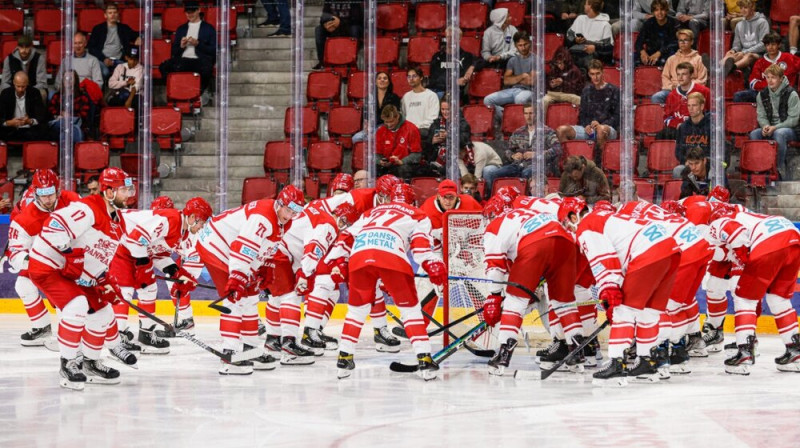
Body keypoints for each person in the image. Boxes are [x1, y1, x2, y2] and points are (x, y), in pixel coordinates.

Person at [27, 167, 135, 390]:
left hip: (73, 272)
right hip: (48, 267)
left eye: (129, 189)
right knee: (77, 305)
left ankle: (91, 363)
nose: (129, 194)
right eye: (123, 190)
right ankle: (68, 365)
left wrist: (102, 279)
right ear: (108, 192)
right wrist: (70, 254)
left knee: (102, 312)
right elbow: (54, 227)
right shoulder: (88, 207)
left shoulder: (119, 223)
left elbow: (97, 257)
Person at [329, 183, 447, 381]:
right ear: (412, 200)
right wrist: (432, 263)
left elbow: (347, 236)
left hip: (360, 254)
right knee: (410, 310)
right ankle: (425, 359)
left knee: (356, 311)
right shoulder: (418, 213)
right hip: (391, 255)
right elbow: (420, 248)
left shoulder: (371, 212)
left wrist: (339, 260)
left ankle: (344, 358)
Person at [196, 185, 305, 375]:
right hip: (217, 247)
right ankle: (229, 355)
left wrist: (262, 268)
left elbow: (262, 247)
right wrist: (238, 276)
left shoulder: (282, 221)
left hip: (232, 250)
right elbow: (242, 246)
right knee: (235, 299)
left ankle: (250, 350)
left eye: (295, 212)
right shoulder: (263, 216)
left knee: (251, 297)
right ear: (280, 204)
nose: (290, 216)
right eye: (288, 210)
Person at [577, 206, 681, 385]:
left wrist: (609, 287)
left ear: (573, 216)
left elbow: (603, 257)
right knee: (648, 312)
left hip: (647, 253)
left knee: (622, 312)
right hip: (670, 249)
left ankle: (617, 366)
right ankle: (646, 363)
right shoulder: (613, 218)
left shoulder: (586, 224)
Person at [482, 201, 586, 375]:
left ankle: (503, 356)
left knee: (515, 302)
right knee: (564, 302)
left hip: (535, 244)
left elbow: (494, 268)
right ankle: (577, 353)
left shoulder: (495, 226)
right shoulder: (528, 213)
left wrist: (494, 296)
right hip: (566, 243)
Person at [109, 197, 212, 353]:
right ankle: (118, 337)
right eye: (201, 222)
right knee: (125, 291)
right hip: (121, 246)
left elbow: (158, 255)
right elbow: (135, 240)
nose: (202, 226)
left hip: (139, 252)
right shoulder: (171, 220)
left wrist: (177, 273)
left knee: (149, 290)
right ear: (192, 218)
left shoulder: (182, 232)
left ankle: (146, 334)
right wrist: (142, 265)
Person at [706, 206, 800, 374]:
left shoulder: (719, 222)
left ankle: (744, 352)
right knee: (779, 299)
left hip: (770, 241)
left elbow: (734, 233)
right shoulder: (748, 216)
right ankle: (795, 352)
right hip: (793, 237)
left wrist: (744, 260)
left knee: (744, 299)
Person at [7, 170, 81, 347]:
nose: (48, 199)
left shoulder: (73, 201)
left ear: (58, 190)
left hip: (76, 258)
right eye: (42, 194)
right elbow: (16, 253)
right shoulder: (24, 219)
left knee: (66, 296)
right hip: (46, 261)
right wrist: (39, 263)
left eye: (51, 193)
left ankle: (72, 337)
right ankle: (42, 327)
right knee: (23, 284)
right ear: (34, 192)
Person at [484, 105, 562, 194]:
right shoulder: (518, 132)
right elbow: (508, 150)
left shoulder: (547, 131)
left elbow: (557, 149)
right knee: (495, 174)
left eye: (531, 113)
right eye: (526, 113)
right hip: (518, 165)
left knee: (526, 173)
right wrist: (513, 156)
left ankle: (525, 200)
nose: (528, 116)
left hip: (539, 165)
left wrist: (536, 154)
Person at [556, 59, 620, 154]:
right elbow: (582, 115)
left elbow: (617, 116)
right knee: (561, 130)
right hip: (589, 129)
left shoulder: (614, 90)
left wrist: (600, 125)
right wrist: (586, 125)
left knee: (601, 130)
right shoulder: (586, 90)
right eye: (592, 74)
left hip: (607, 129)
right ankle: (572, 164)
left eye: (598, 73)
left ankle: (599, 166)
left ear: (603, 72)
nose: (595, 77)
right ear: (589, 75)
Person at [749, 64, 799, 180]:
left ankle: (778, 168)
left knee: (779, 133)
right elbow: (761, 115)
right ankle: (759, 168)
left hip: (790, 128)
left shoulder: (792, 94)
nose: (770, 80)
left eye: (774, 77)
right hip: (771, 126)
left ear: (781, 78)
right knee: (754, 134)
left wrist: (775, 127)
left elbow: (794, 119)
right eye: (767, 77)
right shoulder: (762, 94)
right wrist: (765, 126)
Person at [159, 1, 216, 95]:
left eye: (192, 11)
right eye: (187, 12)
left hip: (199, 61)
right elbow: (174, 52)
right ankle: (175, 90)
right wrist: (181, 46)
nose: (189, 14)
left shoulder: (209, 28)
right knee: (164, 67)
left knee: (207, 68)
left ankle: (197, 93)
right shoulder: (181, 29)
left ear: (198, 10)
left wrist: (198, 44)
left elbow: (212, 51)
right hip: (183, 60)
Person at [734, 32, 800, 104]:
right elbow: (753, 82)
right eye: (768, 45)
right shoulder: (760, 62)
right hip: (764, 93)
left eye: (773, 44)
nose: (770, 47)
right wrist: (770, 86)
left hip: (784, 94)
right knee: (739, 96)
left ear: (779, 45)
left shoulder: (789, 58)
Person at [483, 31, 534, 123]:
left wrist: (514, 79)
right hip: (513, 90)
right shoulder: (512, 60)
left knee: (519, 99)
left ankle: (519, 123)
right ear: (515, 45)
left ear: (529, 43)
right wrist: (522, 76)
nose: (523, 48)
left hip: (530, 91)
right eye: (520, 45)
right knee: (487, 100)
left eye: (525, 44)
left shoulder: (536, 59)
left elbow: (531, 81)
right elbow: (506, 81)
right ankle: (508, 119)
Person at [652, 29, 708, 104]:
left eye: (686, 40)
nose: (683, 43)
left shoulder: (699, 59)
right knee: (657, 97)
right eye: (680, 40)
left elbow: (702, 80)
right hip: (672, 90)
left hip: (691, 90)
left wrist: (686, 86)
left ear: (691, 42)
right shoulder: (671, 59)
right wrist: (671, 87)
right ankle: (667, 115)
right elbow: (665, 77)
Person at [88, 3, 140, 78]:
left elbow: (138, 34)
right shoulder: (98, 29)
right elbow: (91, 48)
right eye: (110, 13)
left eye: (115, 13)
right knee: (105, 72)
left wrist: (139, 37)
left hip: (119, 60)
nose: (112, 15)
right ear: (105, 15)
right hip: (102, 60)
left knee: (128, 72)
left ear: (118, 14)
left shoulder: (124, 28)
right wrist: (104, 59)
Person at [660, 63, 711, 139]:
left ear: (691, 75)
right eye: (678, 74)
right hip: (678, 130)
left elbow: (712, 113)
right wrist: (676, 124)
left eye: (684, 74)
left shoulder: (704, 91)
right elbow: (667, 118)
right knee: (661, 135)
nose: (680, 77)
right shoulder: (672, 95)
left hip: (698, 129)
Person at [423, 95, 471, 176]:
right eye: (443, 109)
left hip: (456, 160)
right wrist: (432, 141)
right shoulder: (436, 123)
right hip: (435, 159)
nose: (445, 112)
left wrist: (449, 136)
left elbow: (465, 141)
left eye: (448, 109)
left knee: (447, 170)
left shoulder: (462, 123)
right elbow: (426, 146)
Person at [721, 0, 770, 77]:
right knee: (730, 55)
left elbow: (763, 45)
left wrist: (745, 52)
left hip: (759, 54)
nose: (742, 10)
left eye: (745, 8)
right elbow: (737, 45)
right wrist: (733, 50)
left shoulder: (762, 22)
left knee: (748, 55)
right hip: (743, 52)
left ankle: (731, 68)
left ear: (752, 8)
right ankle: (717, 67)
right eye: (741, 8)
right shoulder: (739, 25)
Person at [351, 71, 402, 144]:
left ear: (389, 82)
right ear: (375, 82)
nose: (382, 80)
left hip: (386, 126)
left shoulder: (394, 97)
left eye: (385, 78)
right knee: (355, 138)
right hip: (372, 127)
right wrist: (366, 126)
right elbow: (365, 115)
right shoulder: (369, 97)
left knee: (376, 136)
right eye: (379, 78)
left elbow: (396, 116)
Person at [375, 105, 423, 179]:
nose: (389, 125)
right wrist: (380, 161)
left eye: (391, 121)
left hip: (404, 165)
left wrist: (402, 161)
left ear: (397, 117)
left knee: (404, 169)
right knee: (374, 168)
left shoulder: (411, 129)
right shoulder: (381, 131)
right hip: (387, 166)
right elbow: (377, 154)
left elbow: (417, 155)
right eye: (386, 122)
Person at [428, 26, 476, 100]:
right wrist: (454, 82)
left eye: (453, 37)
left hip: (453, 93)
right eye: (448, 37)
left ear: (459, 39)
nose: (450, 40)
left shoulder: (466, 56)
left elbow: (482, 61)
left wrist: (471, 67)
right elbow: (434, 79)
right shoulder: (437, 56)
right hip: (435, 91)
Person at [313, 1, 363, 68]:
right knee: (319, 30)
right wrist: (326, 24)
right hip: (335, 28)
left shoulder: (354, 2)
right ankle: (322, 62)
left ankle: (352, 60)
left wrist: (339, 22)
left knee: (354, 29)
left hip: (348, 28)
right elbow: (323, 17)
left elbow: (357, 19)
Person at [566, 0, 613, 70]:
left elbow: (609, 47)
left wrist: (595, 47)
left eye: (586, 4)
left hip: (594, 56)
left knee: (587, 60)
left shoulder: (605, 24)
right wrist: (575, 39)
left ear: (590, 6)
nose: (584, 6)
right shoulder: (580, 19)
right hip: (577, 51)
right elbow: (569, 34)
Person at [0, 71, 47, 142]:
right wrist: (9, 122)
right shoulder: (6, 93)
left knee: (44, 130)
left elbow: (41, 116)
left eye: (23, 86)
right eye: (18, 86)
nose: (20, 89)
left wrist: (29, 121)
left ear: (27, 83)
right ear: (14, 83)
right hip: (10, 129)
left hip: (29, 129)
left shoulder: (34, 92)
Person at [47, 70, 91, 144]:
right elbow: (50, 110)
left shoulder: (83, 97)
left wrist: (69, 116)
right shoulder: (57, 96)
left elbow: (84, 115)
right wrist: (61, 113)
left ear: (75, 81)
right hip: (59, 122)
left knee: (69, 130)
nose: (68, 81)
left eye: (70, 78)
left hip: (76, 123)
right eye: (66, 78)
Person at [674, 92, 711, 177]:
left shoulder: (711, 127)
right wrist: (687, 161)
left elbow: (714, 151)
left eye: (694, 105)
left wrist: (702, 162)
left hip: (706, 165)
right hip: (689, 165)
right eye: (689, 106)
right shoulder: (683, 127)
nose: (691, 109)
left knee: (712, 173)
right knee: (678, 170)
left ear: (701, 107)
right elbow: (678, 152)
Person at [0, 35, 46, 101]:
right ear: (18, 47)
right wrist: (16, 91)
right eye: (21, 47)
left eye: (27, 47)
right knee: (2, 92)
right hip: (14, 90)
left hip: (33, 89)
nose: (24, 50)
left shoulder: (39, 58)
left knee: (42, 93)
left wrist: (27, 91)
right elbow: (4, 82)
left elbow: (42, 83)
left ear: (31, 47)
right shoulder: (9, 59)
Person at [634, 0, 680, 67]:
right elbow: (638, 42)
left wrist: (659, 53)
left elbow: (675, 43)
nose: (659, 13)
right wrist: (642, 52)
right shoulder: (648, 23)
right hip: (651, 54)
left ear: (666, 11)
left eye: (662, 9)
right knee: (631, 59)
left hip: (667, 53)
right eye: (656, 10)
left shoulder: (674, 23)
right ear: (653, 12)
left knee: (666, 60)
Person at [542, 46, 584, 117]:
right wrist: (552, 84)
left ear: (567, 61)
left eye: (561, 63)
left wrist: (563, 83)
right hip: (555, 94)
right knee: (544, 100)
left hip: (569, 95)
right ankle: (541, 124)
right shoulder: (554, 69)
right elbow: (547, 85)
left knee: (580, 100)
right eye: (558, 63)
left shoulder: (574, 70)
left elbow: (578, 89)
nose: (560, 66)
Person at [401, 66, 440, 139]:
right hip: (408, 131)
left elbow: (433, 118)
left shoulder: (431, 96)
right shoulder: (406, 97)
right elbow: (403, 116)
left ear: (421, 77)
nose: (411, 79)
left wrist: (415, 127)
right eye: (409, 77)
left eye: (414, 76)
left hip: (424, 131)